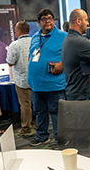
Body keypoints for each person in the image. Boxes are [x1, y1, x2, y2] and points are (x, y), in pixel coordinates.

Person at [27, 8, 67, 147]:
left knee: (57, 113)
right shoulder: (34, 37)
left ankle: (59, 139)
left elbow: (71, 56)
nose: (47, 21)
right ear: (39, 22)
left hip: (54, 84)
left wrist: (62, 64)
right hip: (37, 84)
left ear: (54, 20)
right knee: (40, 112)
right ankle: (42, 136)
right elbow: (32, 55)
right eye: (44, 19)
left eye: (50, 18)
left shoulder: (63, 36)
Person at [61, 9, 90, 101]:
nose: (88, 23)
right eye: (85, 20)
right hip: (82, 96)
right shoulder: (80, 42)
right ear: (78, 21)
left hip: (74, 93)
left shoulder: (68, 39)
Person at [6, 21, 32, 136]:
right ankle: (40, 125)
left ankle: (26, 129)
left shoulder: (14, 45)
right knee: (39, 103)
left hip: (22, 80)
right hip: (36, 78)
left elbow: (10, 63)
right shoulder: (35, 42)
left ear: (19, 31)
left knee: (25, 105)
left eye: (15, 30)